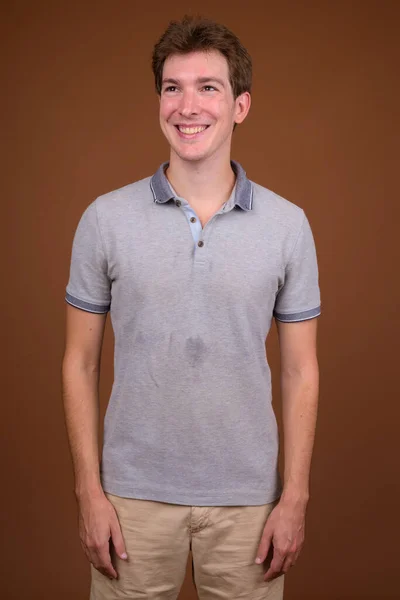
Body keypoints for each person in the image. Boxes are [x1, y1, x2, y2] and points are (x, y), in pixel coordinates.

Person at [62, 14, 321, 600]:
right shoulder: (105, 219)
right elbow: (79, 363)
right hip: (130, 501)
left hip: (248, 505)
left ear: (240, 106)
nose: (187, 106)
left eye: (209, 87)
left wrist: (294, 496)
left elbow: (301, 369)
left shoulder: (288, 226)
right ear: (159, 100)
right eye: (172, 88)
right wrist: (89, 492)